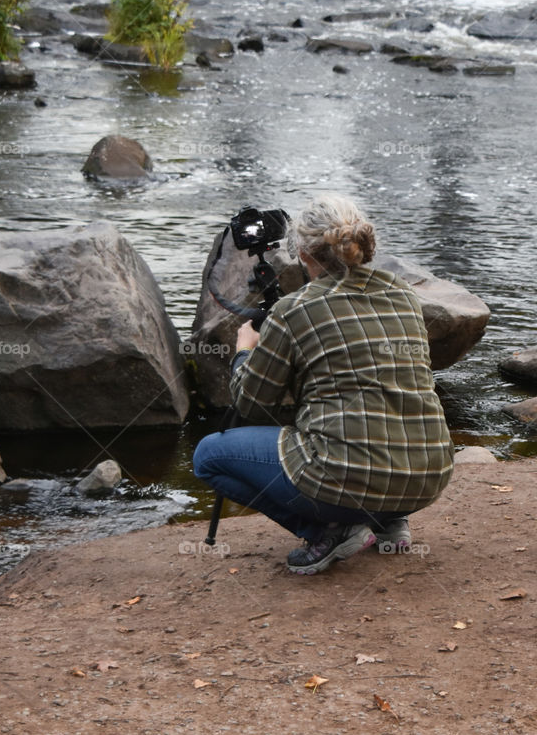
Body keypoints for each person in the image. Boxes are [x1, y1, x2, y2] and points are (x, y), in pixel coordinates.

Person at [192, 194, 454, 574]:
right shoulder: (403, 294)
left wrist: (246, 351)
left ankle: (329, 530)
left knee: (208, 456)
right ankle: (389, 521)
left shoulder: (294, 309)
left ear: (302, 252)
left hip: (350, 475)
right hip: (428, 474)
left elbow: (251, 404)